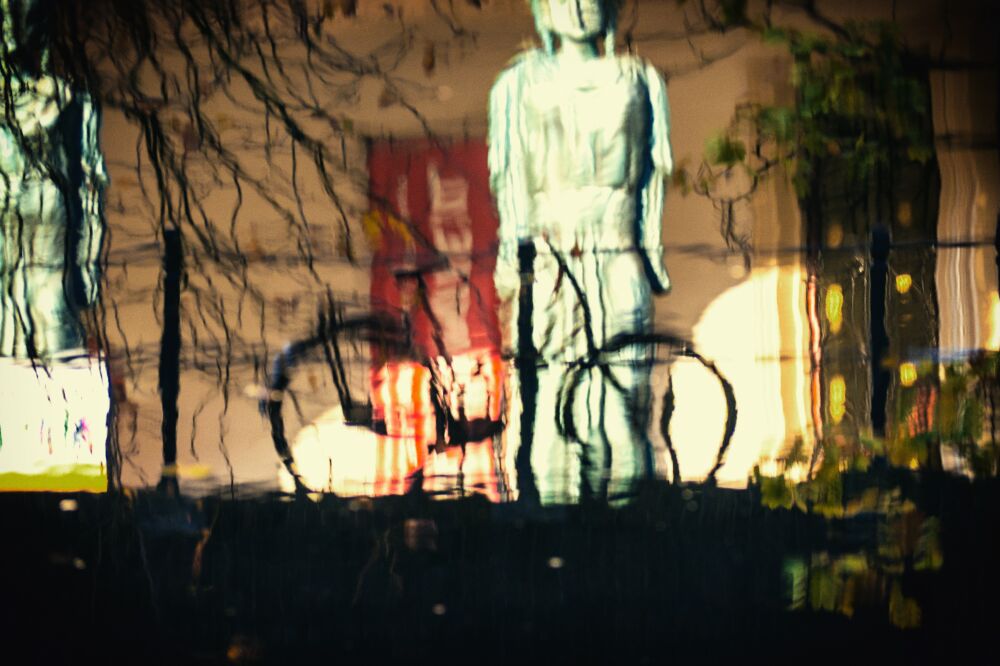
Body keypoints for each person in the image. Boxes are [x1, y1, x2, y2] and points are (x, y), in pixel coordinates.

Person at [488, 0, 673, 503]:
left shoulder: (640, 80)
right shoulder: (518, 84)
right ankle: (553, 534)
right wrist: (515, 260)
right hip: (548, 259)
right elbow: (508, 181)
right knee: (545, 402)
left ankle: (624, 534)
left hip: (618, 251)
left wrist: (650, 254)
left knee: (622, 403)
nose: (577, 5)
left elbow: (653, 179)